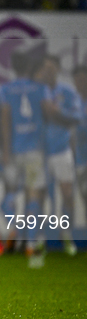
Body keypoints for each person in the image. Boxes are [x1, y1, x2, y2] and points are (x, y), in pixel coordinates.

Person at [0, 51, 53, 268]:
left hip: (14, 150)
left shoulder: (5, 90)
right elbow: (48, 114)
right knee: (33, 195)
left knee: (10, 193)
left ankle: (13, 227)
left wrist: (5, 149)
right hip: (35, 151)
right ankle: (30, 242)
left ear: (13, 67)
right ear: (30, 68)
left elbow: (5, 119)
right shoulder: (41, 89)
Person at [34, 56, 81, 256]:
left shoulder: (68, 92)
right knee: (40, 196)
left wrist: (56, 112)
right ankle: (39, 239)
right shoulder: (35, 92)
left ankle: (66, 235)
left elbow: (77, 117)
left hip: (62, 150)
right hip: (39, 152)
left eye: (51, 68)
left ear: (58, 69)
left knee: (68, 195)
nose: (48, 72)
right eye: (45, 68)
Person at [73, 66, 87, 212]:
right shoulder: (74, 101)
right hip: (81, 160)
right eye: (77, 80)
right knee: (84, 195)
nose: (80, 83)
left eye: (83, 79)